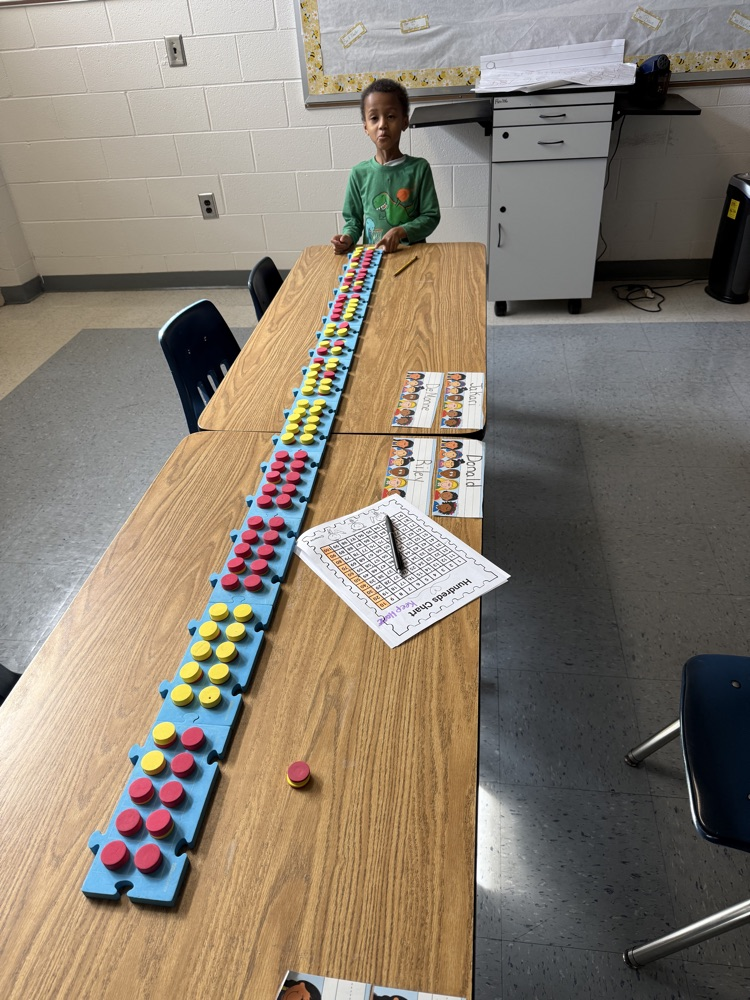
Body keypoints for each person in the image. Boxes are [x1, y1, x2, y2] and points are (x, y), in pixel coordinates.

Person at [331, 78, 440, 254]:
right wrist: (347, 238)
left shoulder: (419, 168)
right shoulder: (359, 173)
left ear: (404, 122)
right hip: (373, 259)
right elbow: (353, 221)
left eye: (390, 116)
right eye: (374, 118)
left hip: (413, 257)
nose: (382, 125)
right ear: (366, 127)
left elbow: (430, 217)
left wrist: (401, 231)